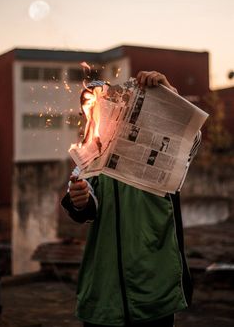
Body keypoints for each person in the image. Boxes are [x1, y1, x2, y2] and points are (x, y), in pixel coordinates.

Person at [61, 71, 201, 327]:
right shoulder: (88, 157)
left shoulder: (157, 145)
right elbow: (84, 208)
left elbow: (190, 143)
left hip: (153, 286)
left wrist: (170, 94)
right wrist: (79, 200)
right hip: (103, 293)